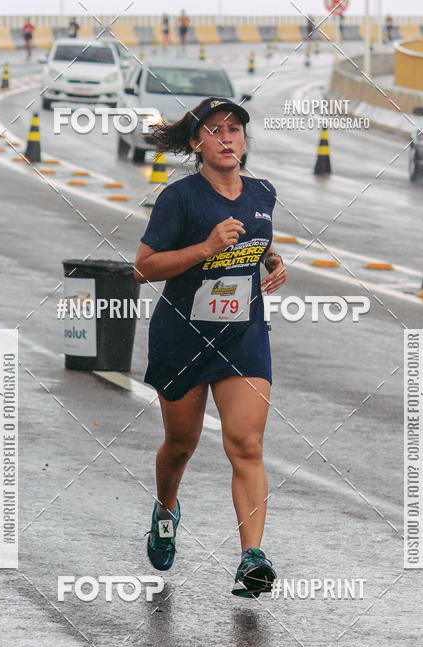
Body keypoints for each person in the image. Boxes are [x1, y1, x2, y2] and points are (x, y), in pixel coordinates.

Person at [134, 98, 287, 598]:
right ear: (197, 142)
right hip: (182, 336)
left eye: (236, 130)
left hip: (242, 335)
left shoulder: (263, 192)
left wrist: (271, 260)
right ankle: (166, 508)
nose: (227, 138)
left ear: (245, 140)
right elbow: (144, 267)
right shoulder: (178, 199)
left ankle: (251, 558)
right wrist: (206, 248)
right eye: (215, 130)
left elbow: (257, 240)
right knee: (181, 446)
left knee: (246, 444)